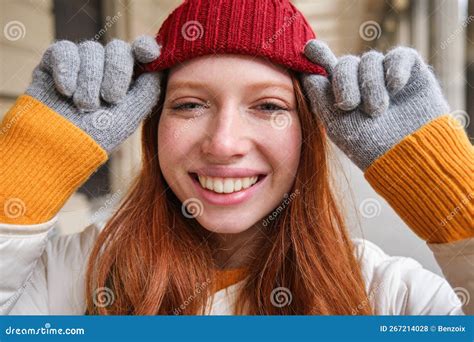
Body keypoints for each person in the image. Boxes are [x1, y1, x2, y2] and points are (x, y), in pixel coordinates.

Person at [0, 0, 472, 315]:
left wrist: (447, 189)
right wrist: (31, 156)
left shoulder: (391, 296)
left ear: (310, 133)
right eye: (188, 105)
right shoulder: (74, 275)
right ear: (151, 125)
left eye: (268, 106)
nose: (224, 144)